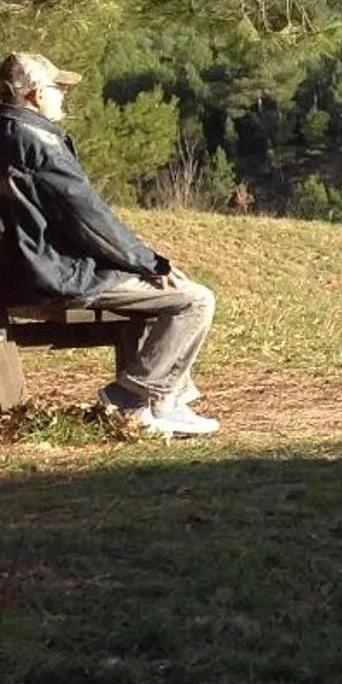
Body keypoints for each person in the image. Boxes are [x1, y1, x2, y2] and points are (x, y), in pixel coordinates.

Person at [0, 51, 220, 437]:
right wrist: (149, 263)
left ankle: (169, 400)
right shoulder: (38, 145)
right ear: (34, 94)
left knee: (167, 295)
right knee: (194, 299)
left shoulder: (8, 137)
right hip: (56, 277)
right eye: (57, 88)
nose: (63, 97)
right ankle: (131, 399)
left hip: (17, 277)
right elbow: (90, 220)